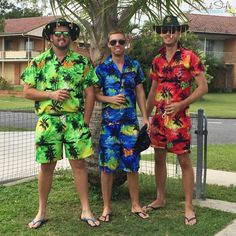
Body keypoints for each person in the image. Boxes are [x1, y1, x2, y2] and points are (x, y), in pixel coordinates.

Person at [21, 18, 100, 228]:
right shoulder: (38, 63)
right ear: (50, 37)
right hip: (48, 122)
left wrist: (84, 121)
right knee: (46, 167)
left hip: (75, 121)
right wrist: (51, 94)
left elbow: (91, 92)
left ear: (71, 37)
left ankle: (85, 209)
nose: (62, 37)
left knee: (79, 166)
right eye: (57, 34)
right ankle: (42, 211)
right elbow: (27, 91)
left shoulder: (82, 62)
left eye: (66, 33)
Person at [144, 15, 208, 225]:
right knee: (159, 159)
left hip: (179, 120)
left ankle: (189, 206)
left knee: (184, 161)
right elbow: (153, 90)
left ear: (179, 33)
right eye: (164, 29)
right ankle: (160, 198)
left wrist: (181, 105)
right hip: (158, 120)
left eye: (172, 29)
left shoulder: (190, 57)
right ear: (161, 33)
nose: (168, 33)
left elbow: (203, 87)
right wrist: (145, 116)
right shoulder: (157, 60)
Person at [95, 30, 150, 222]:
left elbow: (140, 92)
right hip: (109, 128)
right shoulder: (102, 69)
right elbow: (94, 94)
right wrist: (109, 98)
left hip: (130, 126)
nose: (117, 45)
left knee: (132, 166)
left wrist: (145, 117)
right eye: (113, 42)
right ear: (109, 45)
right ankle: (106, 207)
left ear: (125, 44)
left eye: (121, 41)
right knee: (106, 167)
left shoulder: (134, 66)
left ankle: (135, 205)